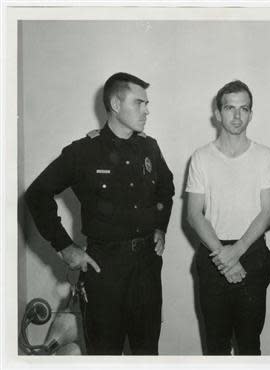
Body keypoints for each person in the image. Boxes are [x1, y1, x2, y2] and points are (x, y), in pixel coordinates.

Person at [25, 72, 175, 355]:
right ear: (116, 105)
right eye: (139, 103)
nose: (146, 110)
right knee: (104, 354)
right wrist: (64, 247)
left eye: (146, 103)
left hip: (146, 269)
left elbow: (166, 190)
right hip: (104, 269)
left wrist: (160, 227)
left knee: (147, 353)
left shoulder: (149, 148)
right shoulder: (84, 152)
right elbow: (37, 194)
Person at [186, 80, 270, 355]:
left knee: (250, 344)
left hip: (250, 252)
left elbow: (269, 211)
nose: (237, 116)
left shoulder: (264, 155)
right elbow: (193, 214)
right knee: (215, 346)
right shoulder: (201, 157)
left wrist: (236, 252)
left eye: (244, 109)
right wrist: (223, 256)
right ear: (217, 114)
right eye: (230, 108)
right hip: (214, 255)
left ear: (251, 113)